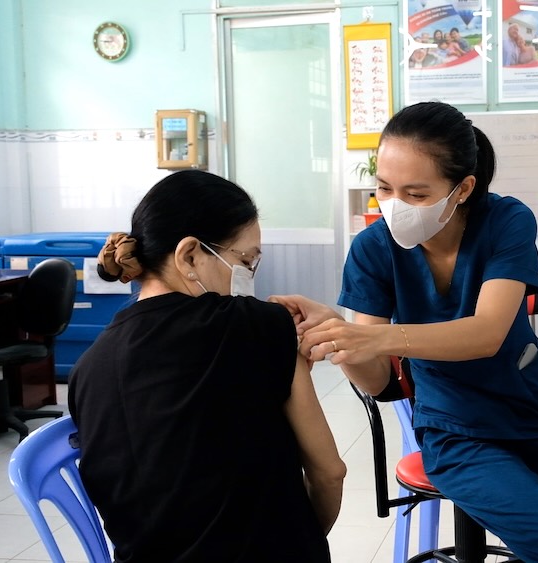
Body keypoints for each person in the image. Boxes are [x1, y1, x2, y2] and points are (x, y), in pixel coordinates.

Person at [277, 102, 538, 563]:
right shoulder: (373, 249)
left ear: (463, 188)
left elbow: (487, 333)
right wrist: (338, 338)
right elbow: (376, 382)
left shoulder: (505, 221)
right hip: (458, 432)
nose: (394, 207)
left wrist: (379, 338)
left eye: (415, 194)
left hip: (537, 416)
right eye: (384, 189)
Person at [68, 170, 346, 562]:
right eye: (246, 259)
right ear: (189, 256)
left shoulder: (88, 368)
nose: (249, 274)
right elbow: (329, 473)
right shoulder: (262, 324)